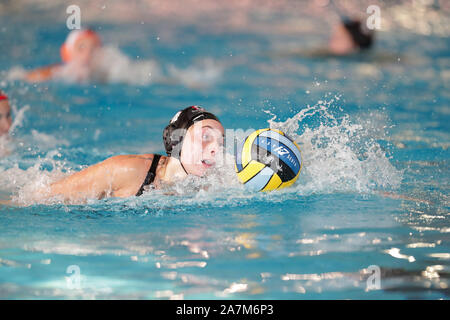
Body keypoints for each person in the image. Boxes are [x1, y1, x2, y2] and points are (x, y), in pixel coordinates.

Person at [46, 106, 224, 202]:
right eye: (205, 136)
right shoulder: (130, 170)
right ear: (177, 141)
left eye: (220, 141)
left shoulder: (214, 184)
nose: (215, 148)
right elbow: (46, 196)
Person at [25, 28, 102, 83]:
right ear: (67, 52)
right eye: (81, 48)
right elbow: (29, 77)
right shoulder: (61, 72)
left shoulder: (102, 74)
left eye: (93, 49)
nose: (87, 54)